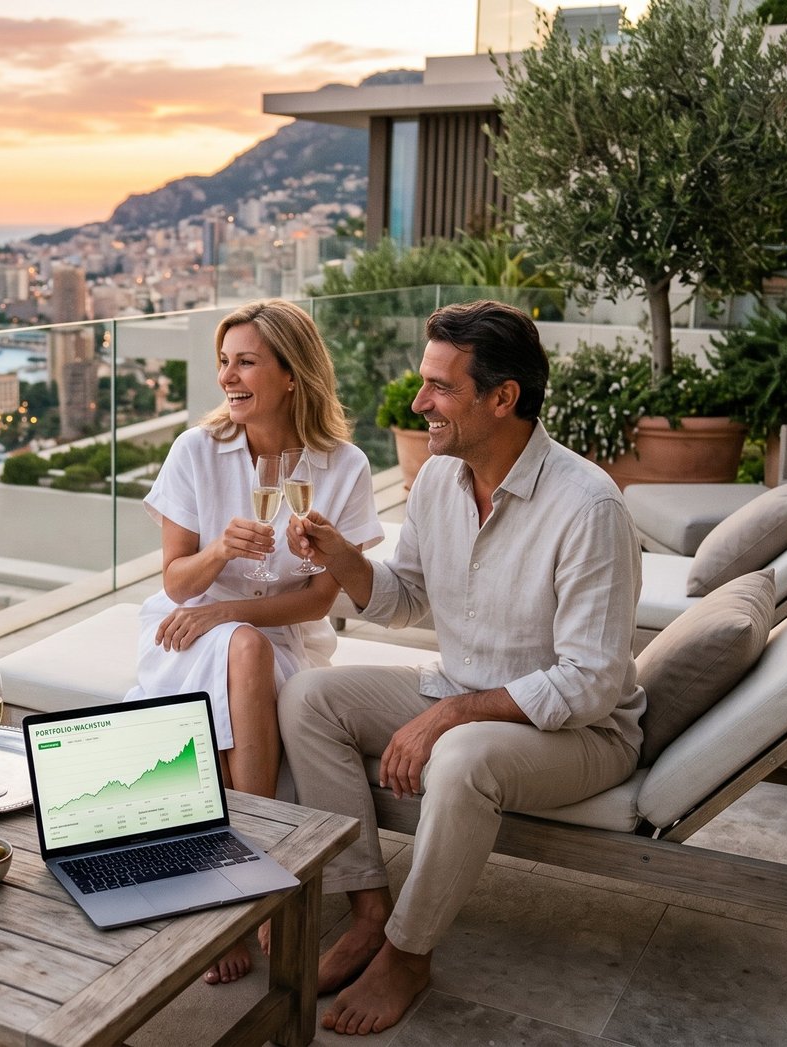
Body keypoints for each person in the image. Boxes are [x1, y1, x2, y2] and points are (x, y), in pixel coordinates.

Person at [282, 299, 644, 1035]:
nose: (420, 403)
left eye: (441, 387)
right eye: (425, 383)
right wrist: (342, 557)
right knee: (312, 698)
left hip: (582, 731)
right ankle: (368, 908)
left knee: (461, 759)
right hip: (464, 688)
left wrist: (448, 716)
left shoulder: (587, 507)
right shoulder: (439, 481)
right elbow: (408, 595)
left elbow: (592, 679)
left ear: (503, 397)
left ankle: (408, 953)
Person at [131, 297, 382, 983]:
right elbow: (179, 585)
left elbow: (320, 596)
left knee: (245, 642)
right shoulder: (197, 449)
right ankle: (255, 879)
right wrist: (217, 555)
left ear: (291, 373)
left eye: (246, 362)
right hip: (188, 627)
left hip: (288, 634)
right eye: (223, 361)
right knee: (238, 645)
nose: (228, 376)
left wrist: (229, 611)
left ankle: (233, 883)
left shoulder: (342, 465)